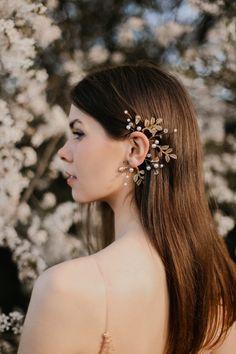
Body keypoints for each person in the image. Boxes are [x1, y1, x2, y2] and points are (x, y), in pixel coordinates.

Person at [17, 63, 236, 354]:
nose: (63, 152)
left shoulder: (65, 289)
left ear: (135, 150)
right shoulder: (220, 292)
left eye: (78, 134)